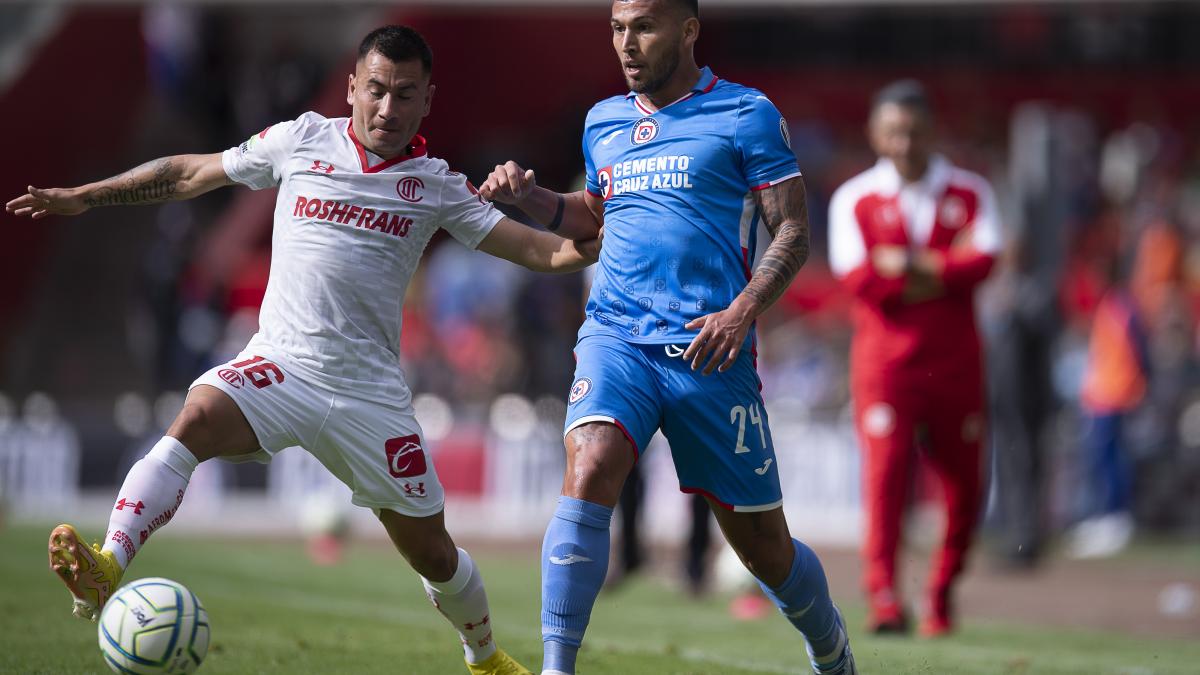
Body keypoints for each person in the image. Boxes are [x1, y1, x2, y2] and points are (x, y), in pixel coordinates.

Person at [6, 25, 597, 675]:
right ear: (351, 89)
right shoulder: (301, 139)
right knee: (197, 415)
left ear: (428, 100)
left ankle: (484, 658)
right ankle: (108, 564)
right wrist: (86, 196)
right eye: (375, 90)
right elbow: (189, 173)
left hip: (370, 396)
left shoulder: (437, 186)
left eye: (405, 94)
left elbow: (547, 253)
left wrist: (601, 235)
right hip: (281, 365)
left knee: (433, 552)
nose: (387, 108)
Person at [479, 2, 856, 673]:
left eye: (643, 27)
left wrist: (742, 311)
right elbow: (592, 219)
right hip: (617, 336)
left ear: (688, 30)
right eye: (617, 28)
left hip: (712, 350)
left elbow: (793, 231)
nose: (626, 43)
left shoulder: (747, 114)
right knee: (590, 462)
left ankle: (830, 647)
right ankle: (556, 667)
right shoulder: (603, 122)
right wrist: (531, 199)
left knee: (764, 546)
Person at [827, 80, 1002, 637]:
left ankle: (941, 594)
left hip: (956, 366)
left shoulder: (972, 191)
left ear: (933, 131)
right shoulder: (853, 197)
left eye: (915, 131)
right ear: (876, 134)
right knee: (885, 485)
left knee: (964, 489)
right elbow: (860, 282)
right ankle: (884, 599)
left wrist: (902, 265)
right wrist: (944, 268)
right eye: (894, 131)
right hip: (886, 369)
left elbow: (985, 264)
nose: (904, 143)